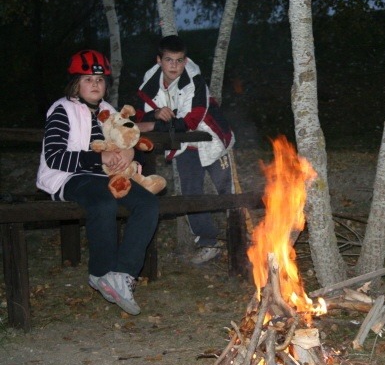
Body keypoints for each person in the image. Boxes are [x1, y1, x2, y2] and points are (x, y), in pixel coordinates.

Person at [36, 50, 159, 315]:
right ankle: (100, 272)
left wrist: (129, 153)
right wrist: (98, 157)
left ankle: (123, 273)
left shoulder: (108, 111)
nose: (96, 85)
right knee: (103, 204)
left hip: (108, 178)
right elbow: (55, 157)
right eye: (89, 79)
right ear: (76, 83)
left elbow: (127, 138)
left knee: (148, 203)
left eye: (100, 80)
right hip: (69, 178)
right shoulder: (63, 110)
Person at [134, 35, 235, 265]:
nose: (174, 66)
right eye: (169, 60)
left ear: (185, 60)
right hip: (184, 145)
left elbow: (191, 120)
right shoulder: (150, 81)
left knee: (228, 191)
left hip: (211, 138)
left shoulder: (195, 80)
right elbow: (138, 116)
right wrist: (155, 115)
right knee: (190, 193)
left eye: (179, 61)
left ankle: (241, 238)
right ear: (158, 60)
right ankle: (209, 242)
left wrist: (153, 124)